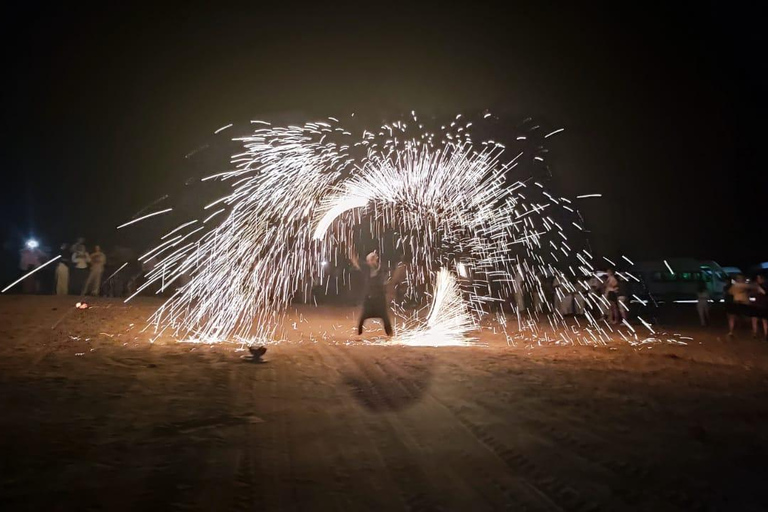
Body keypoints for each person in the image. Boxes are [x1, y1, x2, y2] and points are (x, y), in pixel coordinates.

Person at [351, 250, 393, 337]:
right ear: (368, 261)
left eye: (374, 259)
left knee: (384, 317)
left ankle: (390, 334)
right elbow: (355, 262)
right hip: (370, 298)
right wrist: (351, 252)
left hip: (379, 298)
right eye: (371, 259)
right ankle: (358, 333)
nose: (373, 261)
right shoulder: (366, 268)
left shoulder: (382, 268)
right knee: (363, 316)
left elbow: (387, 278)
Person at [750, 274, 768, 341]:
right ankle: (755, 333)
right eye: (757, 278)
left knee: (764, 320)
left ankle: (766, 335)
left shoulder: (765, 285)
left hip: (763, 305)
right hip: (756, 305)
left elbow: (764, 292)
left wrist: (758, 287)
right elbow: (752, 294)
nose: (758, 279)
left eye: (759, 278)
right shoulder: (757, 286)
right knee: (754, 319)